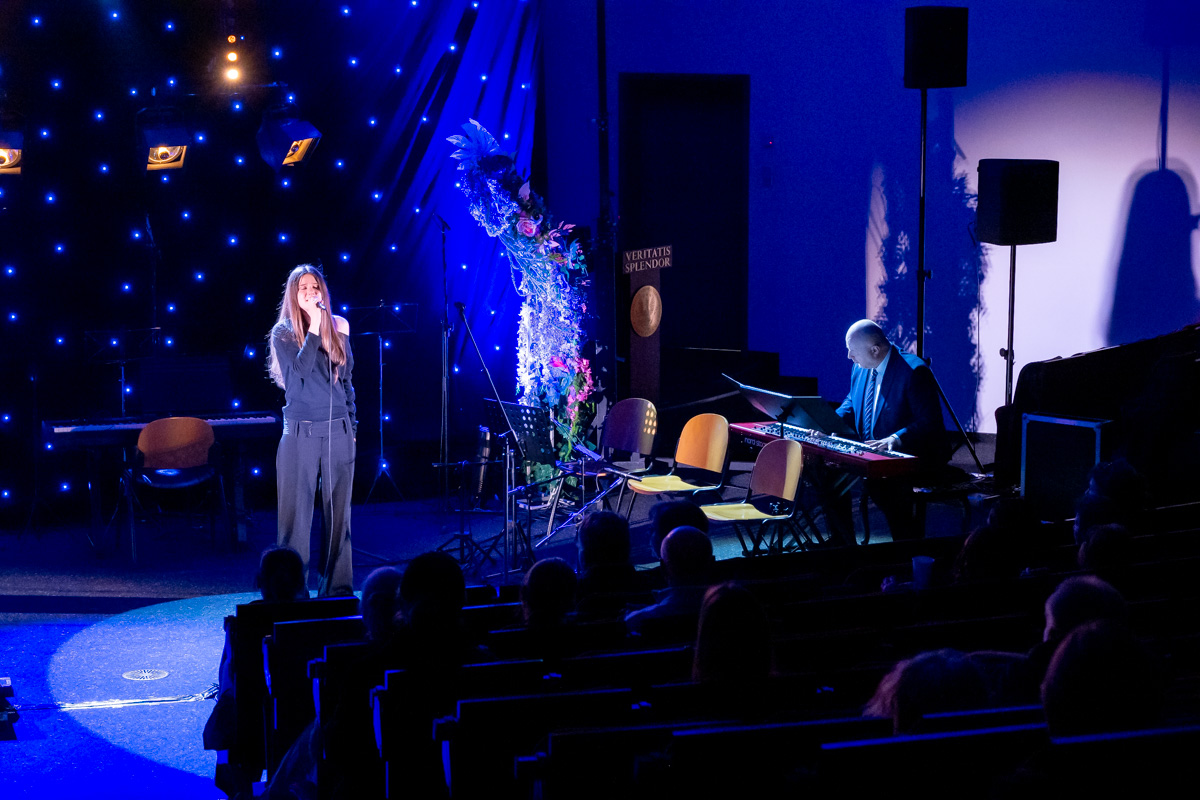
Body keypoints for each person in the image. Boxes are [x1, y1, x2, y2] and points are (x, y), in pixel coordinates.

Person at [268, 264, 357, 598]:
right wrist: (315, 329)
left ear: (323, 292)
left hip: (338, 431)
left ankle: (338, 590)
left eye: (315, 287)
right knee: (295, 519)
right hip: (300, 433)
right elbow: (298, 375)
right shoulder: (284, 332)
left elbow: (346, 381)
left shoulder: (340, 325)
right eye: (303, 287)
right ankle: (290, 593)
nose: (309, 292)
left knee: (339, 518)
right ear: (294, 293)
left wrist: (353, 424)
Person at [821, 319, 949, 542]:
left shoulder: (913, 371)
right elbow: (852, 402)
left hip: (911, 455)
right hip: (871, 452)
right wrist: (826, 425)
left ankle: (903, 552)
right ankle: (843, 544)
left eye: (852, 352)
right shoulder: (860, 368)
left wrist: (895, 439)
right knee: (825, 471)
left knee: (884, 486)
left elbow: (930, 422)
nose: (849, 357)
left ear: (875, 350)